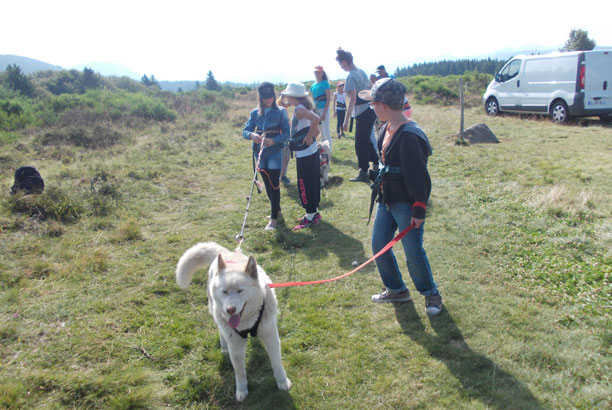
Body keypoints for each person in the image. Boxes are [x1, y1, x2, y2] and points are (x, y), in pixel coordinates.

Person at [359, 78, 442, 316]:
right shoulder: (385, 127)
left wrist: (418, 209)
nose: (371, 107)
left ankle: (431, 294)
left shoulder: (409, 137)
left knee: (413, 252)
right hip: (387, 200)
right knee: (379, 245)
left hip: (406, 204)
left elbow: (419, 178)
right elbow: (388, 161)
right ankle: (396, 289)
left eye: (373, 103)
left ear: (383, 105)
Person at [243, 82, 290, 231]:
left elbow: (287, 134)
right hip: (260, 154)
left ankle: (274, 219)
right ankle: (276, 209)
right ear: (260, 98)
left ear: (274, 95)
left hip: (275, 153)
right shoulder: (254, 113)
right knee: (267, 184)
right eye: (265, 97)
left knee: (274, 185)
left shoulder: (281, 112)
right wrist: (252, 136)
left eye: (270, 96)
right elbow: (245, 131)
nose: (268, 99)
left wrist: (274, 140)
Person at [280, 82, 322, 230]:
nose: (286, 98)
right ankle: (313, 213)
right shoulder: (302, 107)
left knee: (304, 183)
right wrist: (313, 136)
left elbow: (316, 119)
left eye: (287, 95)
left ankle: (310, 217)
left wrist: (310, 137)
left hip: (305, 153)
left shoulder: (299, 109)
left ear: (292, 96)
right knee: (313, 181)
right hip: (309, 151)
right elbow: (315, 124)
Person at [336, 48, 378, 183]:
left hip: (362, 111)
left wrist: (346, 120)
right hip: (370, 109)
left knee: (360, 143)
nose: (341, 67)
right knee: (366, 139)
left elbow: (352, 99)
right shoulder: (362, 72)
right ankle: (376, 165)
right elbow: (373, 88)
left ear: (344, 62)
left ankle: (364, 172)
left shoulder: (351, 76)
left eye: (340, 64)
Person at [310, 66, 332, 151]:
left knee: (325, 131)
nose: (316, 74)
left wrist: (324, 113)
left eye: (318, 72)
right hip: (315, 110)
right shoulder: (313, 85)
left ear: (322, 73)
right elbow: (311, 98)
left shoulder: (325, 83)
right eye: (315, 72)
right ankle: (322, 150)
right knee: (319, 131)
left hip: (323, 109)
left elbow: (328, 98)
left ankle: (328, 151)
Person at [276, 95, 293, 185]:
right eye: (284, 99)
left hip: (285, 136)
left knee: (286, 156)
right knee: (284, 157)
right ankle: (281, 176)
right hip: (282, 137)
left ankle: (282, 175)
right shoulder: (281, 110)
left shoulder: (284, 109)